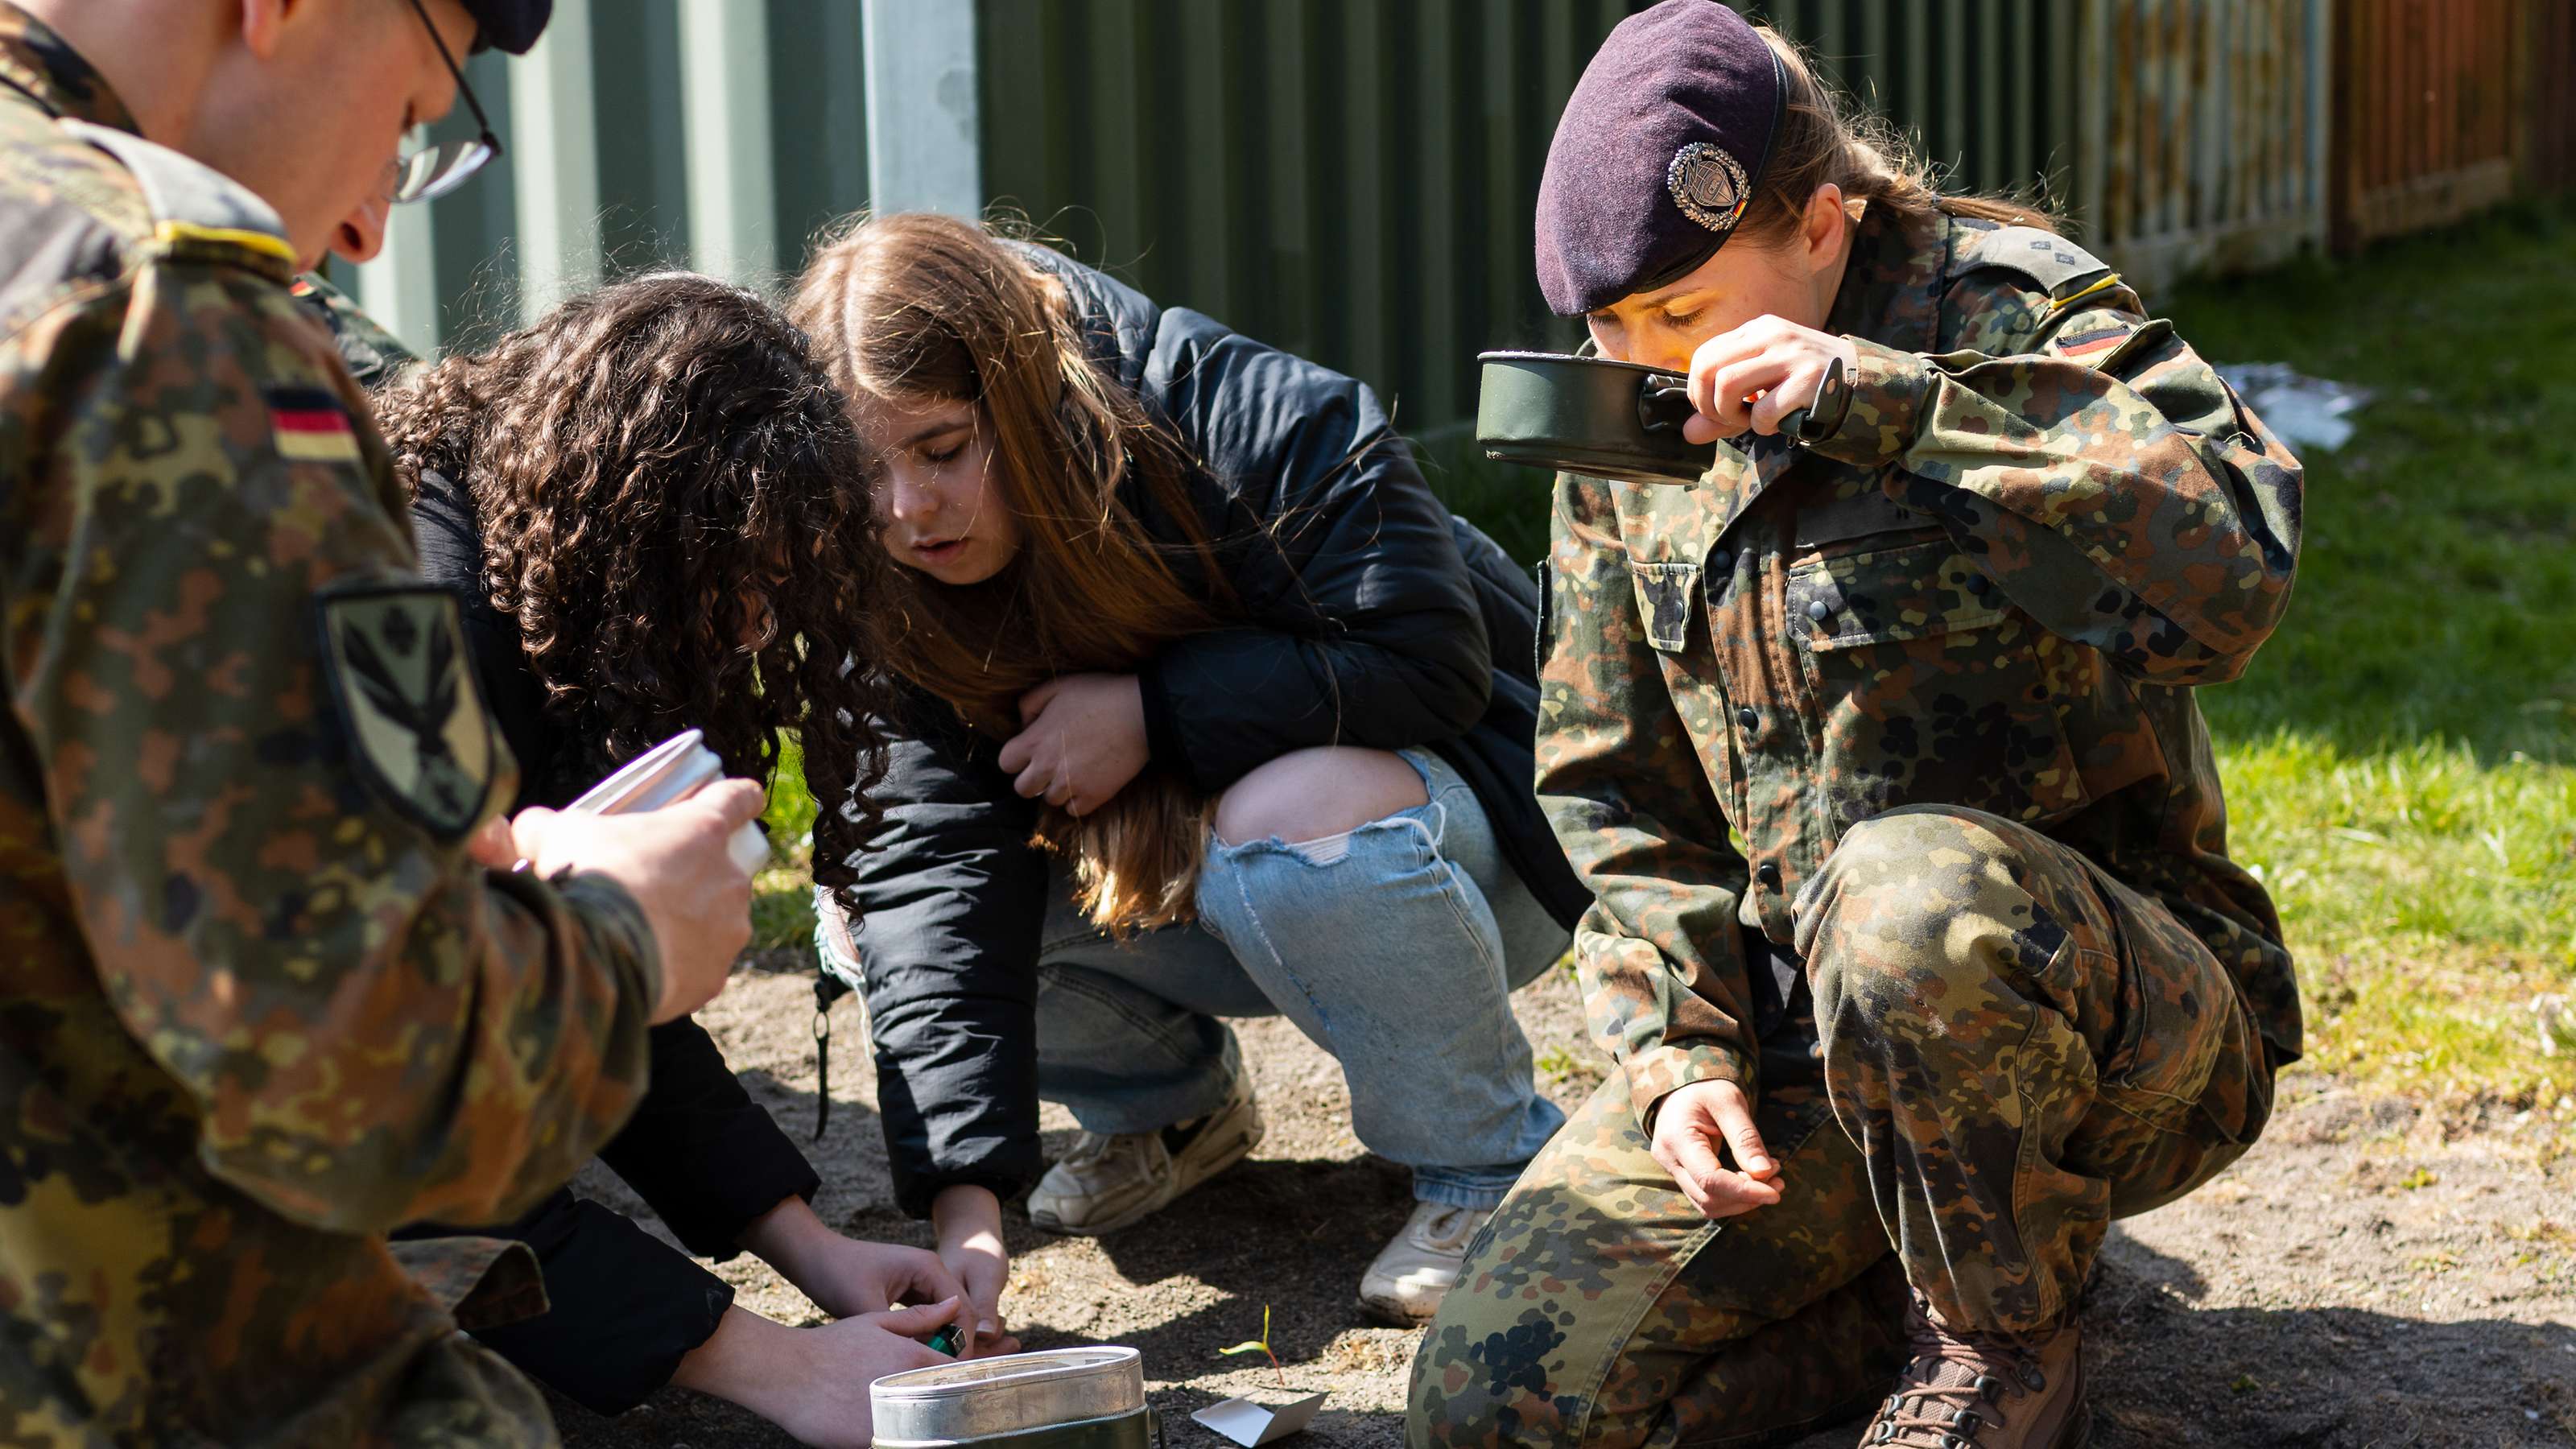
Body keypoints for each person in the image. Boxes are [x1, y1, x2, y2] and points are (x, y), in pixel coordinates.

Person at [1408, 6, 2301, 1448]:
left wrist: (1908, 417)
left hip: (2114, 1027)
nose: (1646, 367)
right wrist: (1676, 1052)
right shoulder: (1630, 419)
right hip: (1804, 1046)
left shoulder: (2011, 310)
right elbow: (1612, 782)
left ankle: (2005, 1350)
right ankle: (1910, 1277)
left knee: (1900, 894)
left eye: (1682, 317)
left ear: (1821, 225)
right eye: (1609, 329)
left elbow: (2237, 575)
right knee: (1492, 1402)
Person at [0, 0, 769, 1443]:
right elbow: (363, 1080)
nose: (364, 231)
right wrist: (622, 945)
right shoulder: (157, 320)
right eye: (417, 116)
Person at [790, 212, 1593, 1330]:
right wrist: (964, 1204)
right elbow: (927, 869)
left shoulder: (1243, 416)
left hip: (1464, 853)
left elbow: (1429, 660)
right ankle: (1169, 1111)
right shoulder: (867, 561)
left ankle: (1489, 1170)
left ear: (1017, 397)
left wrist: (1155, 715)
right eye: (864, 471)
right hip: (1202, 892)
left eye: (941, 450)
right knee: (859, 919)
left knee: (1286, 818)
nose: (907, 512)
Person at [370, 270, 996, 1446]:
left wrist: (813, 1252)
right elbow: (397, 1121)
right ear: (647, 523)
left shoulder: (531, 571)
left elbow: (597, 992)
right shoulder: (419, 649)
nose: (762, 624)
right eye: (750, 577)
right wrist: (778, 1369)